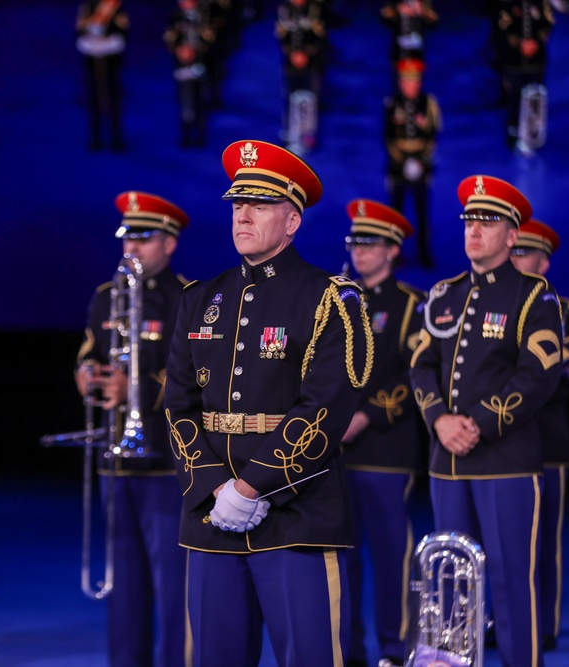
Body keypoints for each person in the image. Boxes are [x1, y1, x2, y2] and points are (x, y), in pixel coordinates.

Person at [163, 139, 374, 667]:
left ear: (293, 220)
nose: (243, 215)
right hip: (211, 514)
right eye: (237, 204)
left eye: (259, 205)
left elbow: (324, 410)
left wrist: (251, 486)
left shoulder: (331, 298)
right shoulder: (199, 298)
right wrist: (217, 488)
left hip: (295, 514)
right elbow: (177, 403)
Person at [409, 175, 563, 667]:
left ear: (512, 235)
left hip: (506, 462)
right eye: (470, 221)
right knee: (447, 588)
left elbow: (538, 376)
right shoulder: (444, 294)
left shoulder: (533, 296)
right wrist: (438, 420)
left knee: (512, 583)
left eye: (488, 222)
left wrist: (472, 423)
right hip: (446, 462)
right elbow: (420, 363)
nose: (474, 231)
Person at [73, 191, 191, 667]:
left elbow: (194, 376)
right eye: (128, 238)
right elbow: (89, 351)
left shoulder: (187, 297)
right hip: (116, 461)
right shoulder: (107, 295)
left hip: (167, 460)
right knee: (122, 584)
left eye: (144, 239)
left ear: (170, 243)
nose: (132, 249)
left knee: (173, 586)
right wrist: (87, 376)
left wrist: (136, 387)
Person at [339, 200, 427, 667]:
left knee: (393, 557)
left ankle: (396, 651)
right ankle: (347, 651)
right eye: (354, 241)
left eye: (369, 243)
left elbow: (418, 375)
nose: (359, 251)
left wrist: (369, 414)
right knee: (340, 558)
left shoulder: (412, 305)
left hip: (385, 449)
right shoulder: (337, 299)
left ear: (393, 250)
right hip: (333, 452)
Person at [509, 218, 569, 652]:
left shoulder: (567, 308)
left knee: (543, 541)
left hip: (548, 440)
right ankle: (502, 622)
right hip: (501, 442)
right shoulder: (497, 302)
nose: (517, 257)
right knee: (503, 542)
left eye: (525, 252)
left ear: (544, 261)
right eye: (515, 250)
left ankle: (545, 625)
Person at [382, 58, 442, 268]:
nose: (411, 85)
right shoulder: (392, 104)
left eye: (415, 81)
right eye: (407, 81)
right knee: (396, 212)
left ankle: (424, 253)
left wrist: (421, 160)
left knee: (422, 211)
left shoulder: (428, 103)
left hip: (421, 162)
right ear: (400, 82)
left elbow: (433, 134)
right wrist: (400, 160)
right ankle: (394, 254)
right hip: (398, 164)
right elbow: (387, 136)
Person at [490, 0, 555, 150]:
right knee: (514, 98)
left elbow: (549, 22)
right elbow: (502, 27)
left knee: (535, 97)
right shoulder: (506, 3)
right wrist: (520, 44)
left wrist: (536, 42)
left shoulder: (542, 3)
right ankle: (514, 133)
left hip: (537, 61)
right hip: (513, 62)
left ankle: (533, 134)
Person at [75, 0, 130, 151]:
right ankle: (95, 138)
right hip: (93, 62)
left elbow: (123, 32)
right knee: (94, 101)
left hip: (111, 62)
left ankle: (116, 139)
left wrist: (107, 42)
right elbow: (80, 30)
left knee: (114, 101)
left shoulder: (116, 7)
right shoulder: (88, 6)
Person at [275, 0, 327, 153]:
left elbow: (320, 36)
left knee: (310, 99)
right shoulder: (284, 10)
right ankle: (291, 132)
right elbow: (281, 35)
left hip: (311, 62)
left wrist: (306, 53)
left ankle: (309, 134)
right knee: (291, 97)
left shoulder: (315, 9)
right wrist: (292, 53)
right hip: (290, 62)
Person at [163, 0, 216, 148]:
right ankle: (185, 135)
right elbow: (169, 38)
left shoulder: (204, 15)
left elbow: (210, 37)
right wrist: (179, 51)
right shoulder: (175, 16)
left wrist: (196, 51)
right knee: (184, 100)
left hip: (200, 63)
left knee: (199, 99)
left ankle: (199, 134)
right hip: (181, 65)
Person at [379, 0, 439, 67]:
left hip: (417, 51)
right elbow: (385, 15)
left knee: (415, 71)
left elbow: (433, 20)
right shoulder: (396, 3)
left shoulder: (423, 3)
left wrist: (423, 12)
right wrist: (397, 10)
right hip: (400, 50)